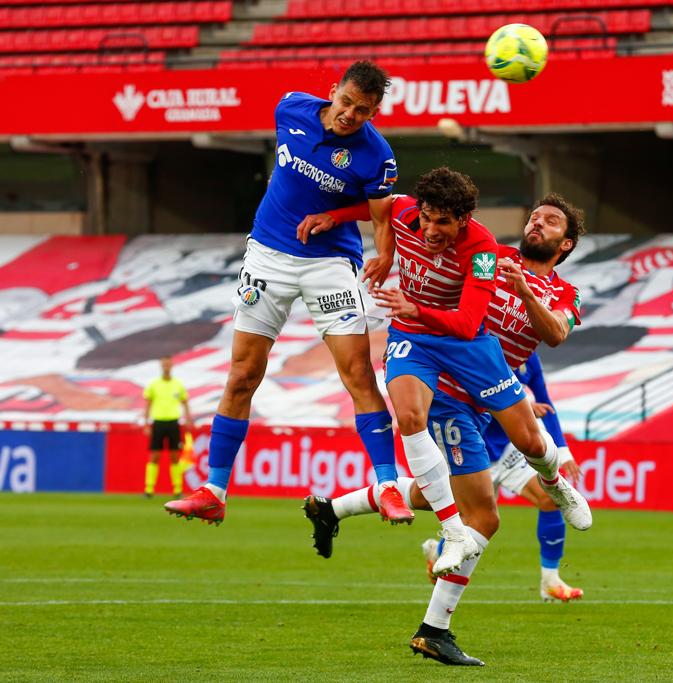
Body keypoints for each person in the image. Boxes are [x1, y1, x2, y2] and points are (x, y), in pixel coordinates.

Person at [303, 191, 589, 665]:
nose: (537, 223)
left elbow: (555, 334)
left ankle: (332, 508)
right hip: (452, 394)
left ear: (568, 244)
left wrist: (521, 290)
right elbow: (404, 221)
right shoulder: (488, 255)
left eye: (551, 222)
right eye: (534, 216)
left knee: (437, 493)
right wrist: (377, 244)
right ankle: (435, 627)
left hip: (493, 397)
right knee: (483, 517)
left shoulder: (566, 294)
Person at [165, 61, 413, 526]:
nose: (349, 116)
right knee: (242, 373)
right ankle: (215, 490)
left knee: (358, 372)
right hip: (267, 256)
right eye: (345, 103)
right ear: (332, 90)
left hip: (330, 265)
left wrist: (384, 254)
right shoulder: (291, 108)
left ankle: (387, 487)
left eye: (362, 111)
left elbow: (382, 215)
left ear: (375, 111)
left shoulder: (376, 155)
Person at [428, 351, 585, 604]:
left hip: (508, 449)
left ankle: (551, 581)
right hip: (474, 451)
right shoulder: (485, 347)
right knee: (474, 521)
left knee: (549, 500)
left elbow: (546, 402)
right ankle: (435, 555)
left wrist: (563, 451)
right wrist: (520, 406)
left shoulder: (530, 357)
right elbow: (470, 392)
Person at [142, 356, 193, 499]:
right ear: (161, 365)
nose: (166, 366)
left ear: (172, 365)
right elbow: (148, 404)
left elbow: (185, 403)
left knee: (175, 456)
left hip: (173, 423)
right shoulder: (154, 385)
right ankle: (149, 489)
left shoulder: (178, 385)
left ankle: (177, 489)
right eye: (164, 364)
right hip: (158, 422)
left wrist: (188, 419)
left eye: (168, 364)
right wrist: (146, 423)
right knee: (154, 456)